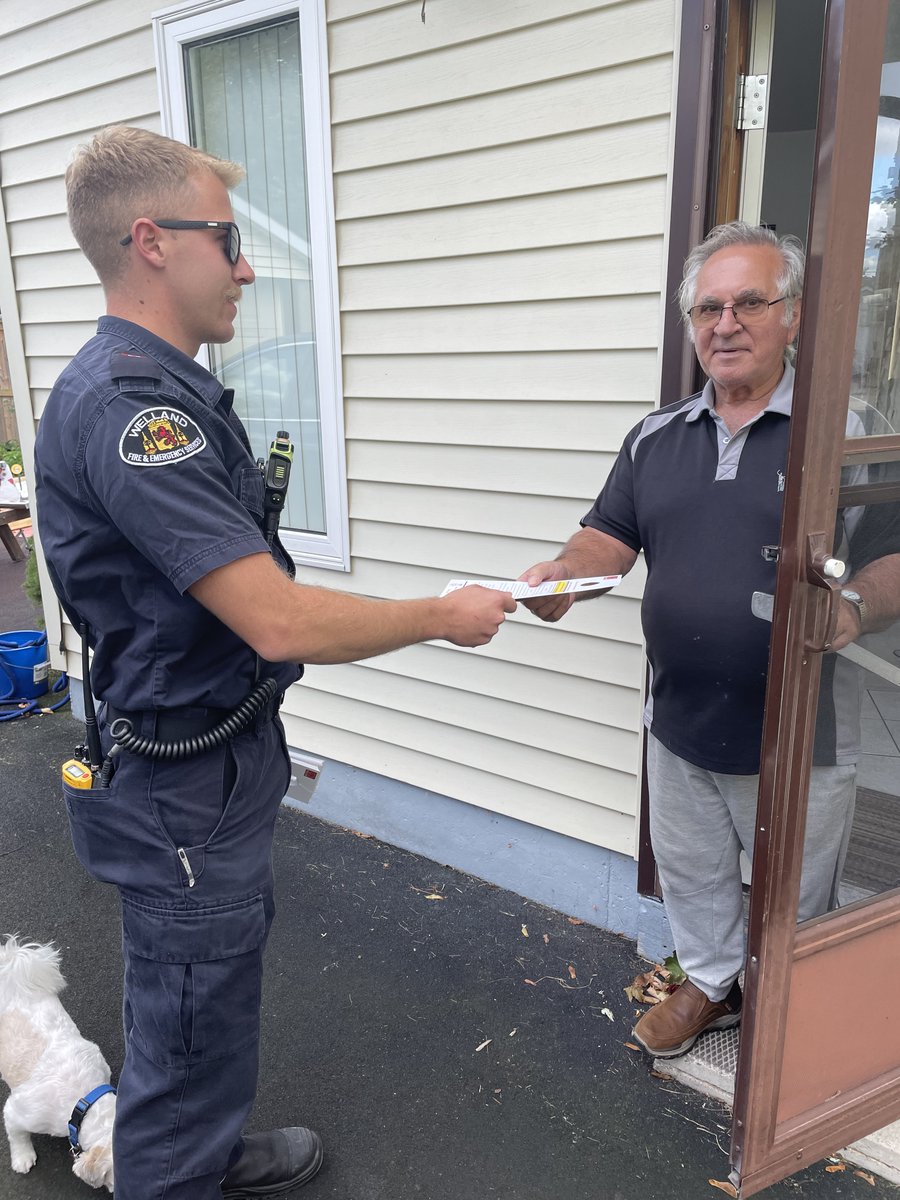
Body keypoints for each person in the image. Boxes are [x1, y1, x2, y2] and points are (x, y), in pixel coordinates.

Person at [33, 125, 516, 1200]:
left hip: (215, 752)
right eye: (229, 239)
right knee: (188, 1009)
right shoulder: (134, 412)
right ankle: (174, 1170)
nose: (247, 265)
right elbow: (278, 622)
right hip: (181, 779)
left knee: (213, 988)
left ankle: (204, 1149)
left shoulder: (161, 388)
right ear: (153, 242)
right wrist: (440, 614)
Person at [519, 221, 900, 1060]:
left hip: (804, 727)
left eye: (749, 303)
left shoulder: (850, 431)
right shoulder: (657, 437)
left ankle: (783, 995)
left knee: (794, 893)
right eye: (707, 308)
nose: (724, 324)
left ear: (793, 316)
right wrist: (560, 576)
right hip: (680, 715)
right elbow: (607, 537)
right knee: (691, 872)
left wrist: (852, 610)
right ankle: (711, 981)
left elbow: (892, 559)